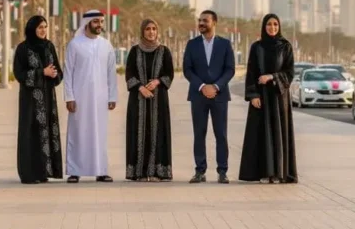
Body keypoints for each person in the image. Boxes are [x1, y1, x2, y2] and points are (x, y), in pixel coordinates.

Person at [238, 13, 298, 184]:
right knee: (262, 135)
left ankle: (278, 173)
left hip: (279, 98)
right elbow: (251, 73)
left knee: (278, 134)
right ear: (264, 27)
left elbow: (290, 72)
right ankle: (264, 173)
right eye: (269, 25)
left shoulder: (285, 46)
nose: (272, 28)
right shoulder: (257, 47)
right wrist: (253, 95)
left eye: (275, 25)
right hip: (261, 98)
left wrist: (271, 76)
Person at [63, 9, 118, 183]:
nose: (99, 25)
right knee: (78, 133)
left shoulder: (106, 45)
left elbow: (111, 73)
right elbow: (68, 73)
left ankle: (101, 170)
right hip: (79, 98)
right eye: (96, 22)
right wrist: (69, 97)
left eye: (101, 22)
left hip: (101, 98)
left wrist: (112, 97)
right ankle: (74, 171)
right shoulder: (75, 44)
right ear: (87, 24)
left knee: (100, 133)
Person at [183, 10, 236, 184]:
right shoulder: (192, 45)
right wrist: (202, 86)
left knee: (221, 134)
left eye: (205, 20)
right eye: (200, 20)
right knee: (199, 134)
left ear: (214, 22)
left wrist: (215, 86)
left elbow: (230, 69)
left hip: (219, 96)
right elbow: (187, 69)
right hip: (198, 96)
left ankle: (222, 171)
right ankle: (200, 171)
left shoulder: (225, 44)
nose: (201, 23)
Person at [14, 15, 64, 184]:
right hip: (30, 101)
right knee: (31, 133)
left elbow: (58, 70)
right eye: (40, 27)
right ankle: (29, 174)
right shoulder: (22, 48)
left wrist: (54, 74)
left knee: (46, 132)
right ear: (32, 29)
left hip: (48, 99)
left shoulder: (49, 46)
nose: (43, 30)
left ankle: (44, 172)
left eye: (45, 27)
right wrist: (41, 73)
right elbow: (19, 74)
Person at [124, 18, 175, 182]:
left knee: (157, 133)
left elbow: (169, 74)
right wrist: (141, 88)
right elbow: (129, 74)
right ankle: (138, 172)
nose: (151, 32)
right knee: (138, 133)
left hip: (158, 101)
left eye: (154, 29)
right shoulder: (134, 51)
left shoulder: (164, 51)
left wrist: (158, 81)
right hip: (138, 100)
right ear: (142, 31)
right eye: (147, 29)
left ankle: (156, 172)